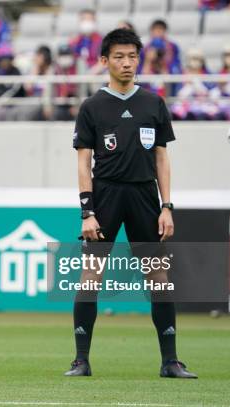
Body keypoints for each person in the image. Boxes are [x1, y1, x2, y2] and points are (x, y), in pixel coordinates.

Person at [68, 28, 197, 379]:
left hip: (144, 196)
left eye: (132, 57)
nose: (127, 63)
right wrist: (87, 211)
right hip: (106, 195)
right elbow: (83, 162)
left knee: (159, 278)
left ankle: (170, 361)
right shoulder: (92, 106)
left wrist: (166, 205)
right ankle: (81, 360)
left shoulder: (153, 103)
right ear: (105, 61)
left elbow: (161, 158)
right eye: (119, 57)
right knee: (90, 277)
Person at [170, 48, 221, 120]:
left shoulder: (208, 75)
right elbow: (179, 95)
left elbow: (212, 93)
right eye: (192, 59)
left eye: (197, 59)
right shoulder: (182, 75)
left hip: (203, 106)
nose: (194, 62)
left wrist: (196, 83)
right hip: (186, 106)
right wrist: (189, 86)